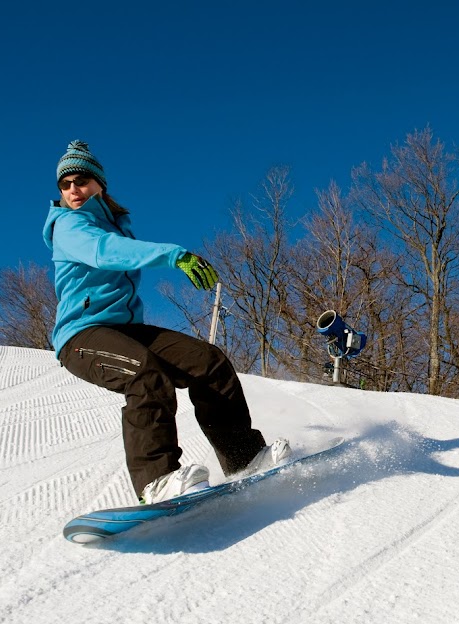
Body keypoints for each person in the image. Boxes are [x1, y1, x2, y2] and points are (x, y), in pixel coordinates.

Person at [42, 139, 289, 504]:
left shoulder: (117, 226)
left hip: (125, 329)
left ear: (99, 184)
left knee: (209, 362)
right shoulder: (68, 225)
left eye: (80, 180)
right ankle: (156, 481)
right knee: (144, 373)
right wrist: (173, 255)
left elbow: (115, 245)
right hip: (82, 335)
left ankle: (244, 458)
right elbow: (104, 252)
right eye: (65, 184)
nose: (73, 190)